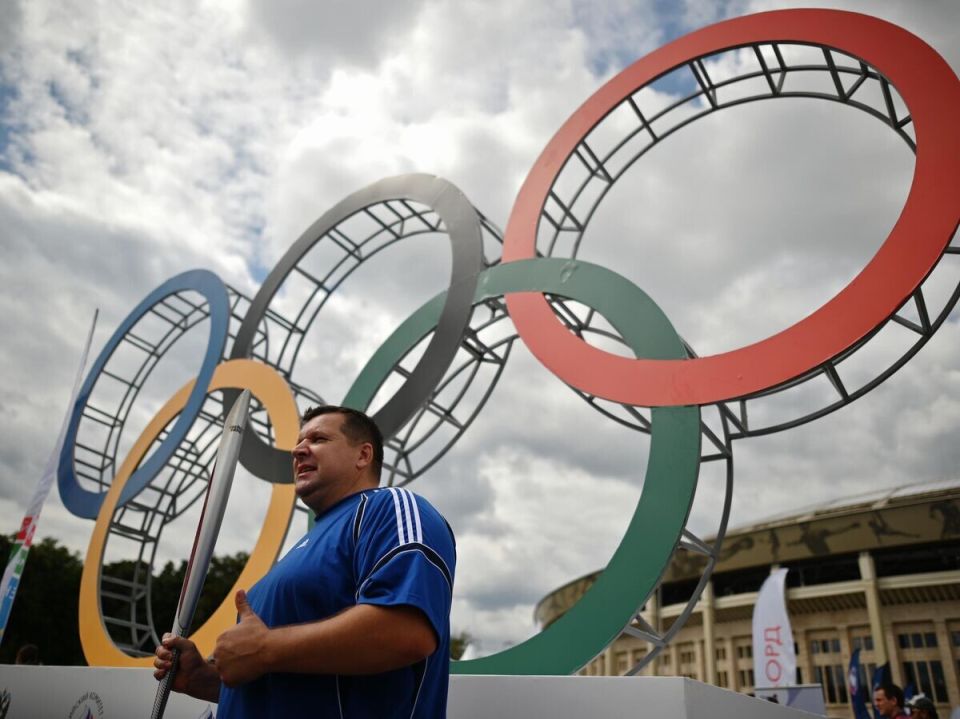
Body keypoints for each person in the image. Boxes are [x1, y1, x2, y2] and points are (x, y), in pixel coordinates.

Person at [154, 405, 457, 718]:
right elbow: (290, 680)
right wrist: (205, 678)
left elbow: (406, 631)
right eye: (299, 442)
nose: (298, 450)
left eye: (318, 439)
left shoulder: (389, 507)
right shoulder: (304, 548)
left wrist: (266, 648)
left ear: (363, 455)